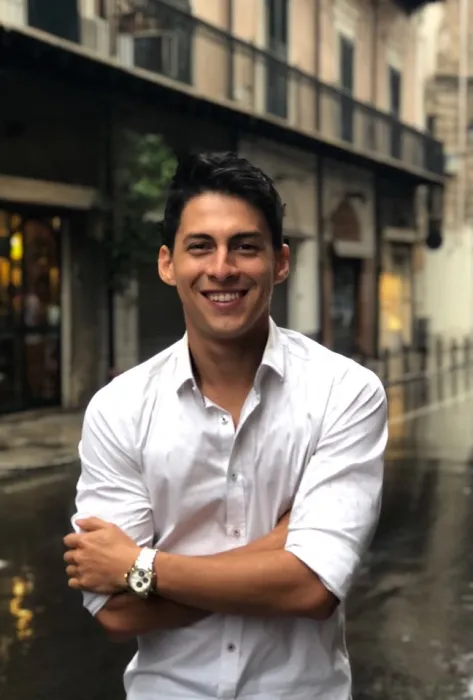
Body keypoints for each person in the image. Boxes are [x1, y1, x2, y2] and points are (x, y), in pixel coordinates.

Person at [64, 152, 388, 700]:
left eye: (245, 246)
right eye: (200, 246)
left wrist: (138, 566)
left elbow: (312, 590)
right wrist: (278, 554)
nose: (222, 268)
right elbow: (116, 613)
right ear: (168, 264)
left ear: (280, 262)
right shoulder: (118, 409)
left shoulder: (345, 393)